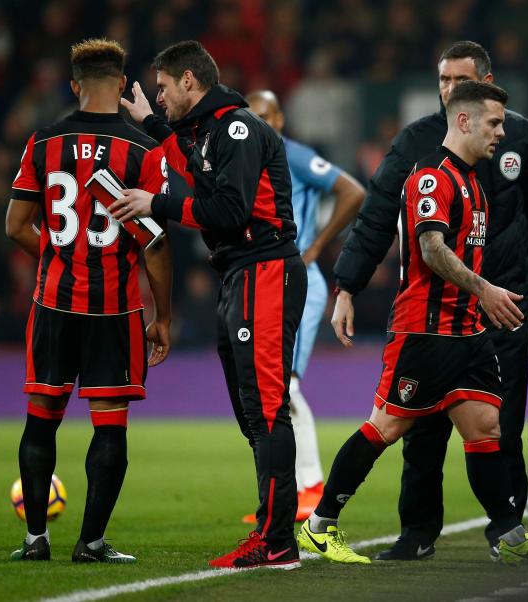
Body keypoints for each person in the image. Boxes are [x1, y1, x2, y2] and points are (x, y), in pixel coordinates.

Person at [297, 81, 528, 566]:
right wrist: (485, 290)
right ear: (464, 120)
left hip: (465, 331)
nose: (502, 132)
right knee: (385, 427)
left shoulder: (474, 181)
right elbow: (431, 248)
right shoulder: (432, 177)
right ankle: (319, 526)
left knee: (486, 427)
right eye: (494, 123)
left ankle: (509, 537)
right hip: (425, 332)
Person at [114, 41, 306, 570]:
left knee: (266, 407)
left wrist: (157, 203)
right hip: (241, 275)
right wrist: (151, 124)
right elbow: (189, 161)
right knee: (253, 410)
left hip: (265, 270)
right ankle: (273, 530)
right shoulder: (208, 132)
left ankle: (278, 541)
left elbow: (228, 208)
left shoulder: (237, 128)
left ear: (189, 83)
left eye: (163, 88)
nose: (160, 96)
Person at [6, 38, 172, 563]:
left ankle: (35, 541)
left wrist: (58, 254)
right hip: (114, 310)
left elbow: (15, 227)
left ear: (74, 85)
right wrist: (162, 316)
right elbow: (155, 243)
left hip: (52, 303)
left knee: (41, 418)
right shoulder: (144, 150)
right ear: (123, 85)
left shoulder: (43, 142)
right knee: (110, 423)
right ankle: (91, 543)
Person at [242, 89, 365, 523]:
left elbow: (352, 191)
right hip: (265, 280)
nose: (256, 124)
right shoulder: (245, 162)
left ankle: (311, 485)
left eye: (263, 116)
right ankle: (289, 492)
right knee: (271, 388)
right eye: (249, 116)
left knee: (285, 386)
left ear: (278, 120)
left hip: (298, 280)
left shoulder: (293, 155)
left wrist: (313, 248)